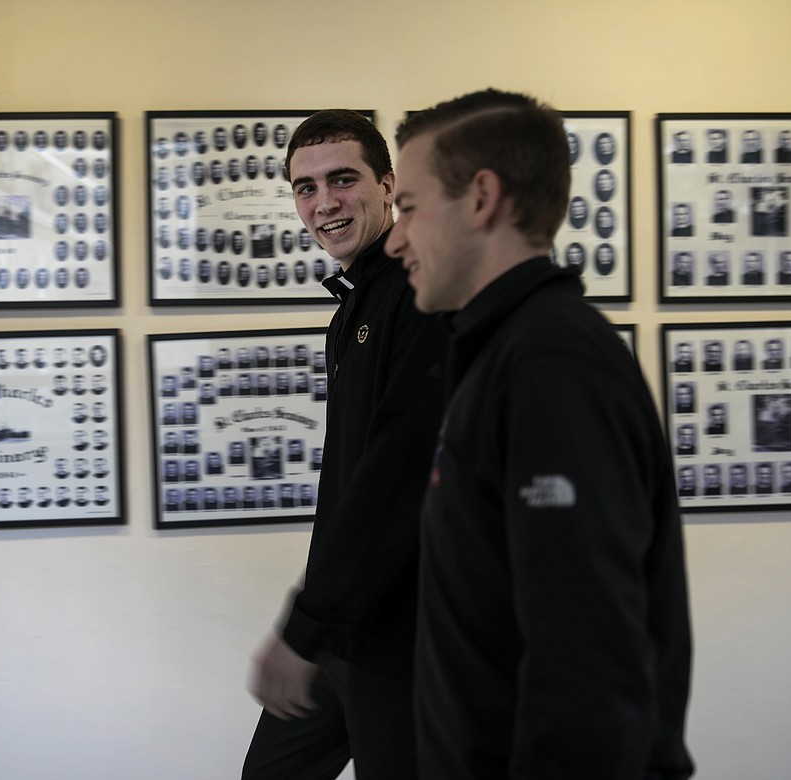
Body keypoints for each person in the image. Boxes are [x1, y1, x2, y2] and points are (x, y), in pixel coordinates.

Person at [385, 88, 692, 779]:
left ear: (482, 197)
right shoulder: (504, 352)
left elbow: (585, 653)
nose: (396, 238)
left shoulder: (551, 363)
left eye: (407, 208)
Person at [242, 109, 448, 780]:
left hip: (401, 639)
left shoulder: (418, 297)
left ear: (387, 183)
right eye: (305, 187)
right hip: (339, 625)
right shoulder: (354, 305)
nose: (324, 202)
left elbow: (395, 478)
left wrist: (303, 624)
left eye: (342, 179)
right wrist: (317, 621)